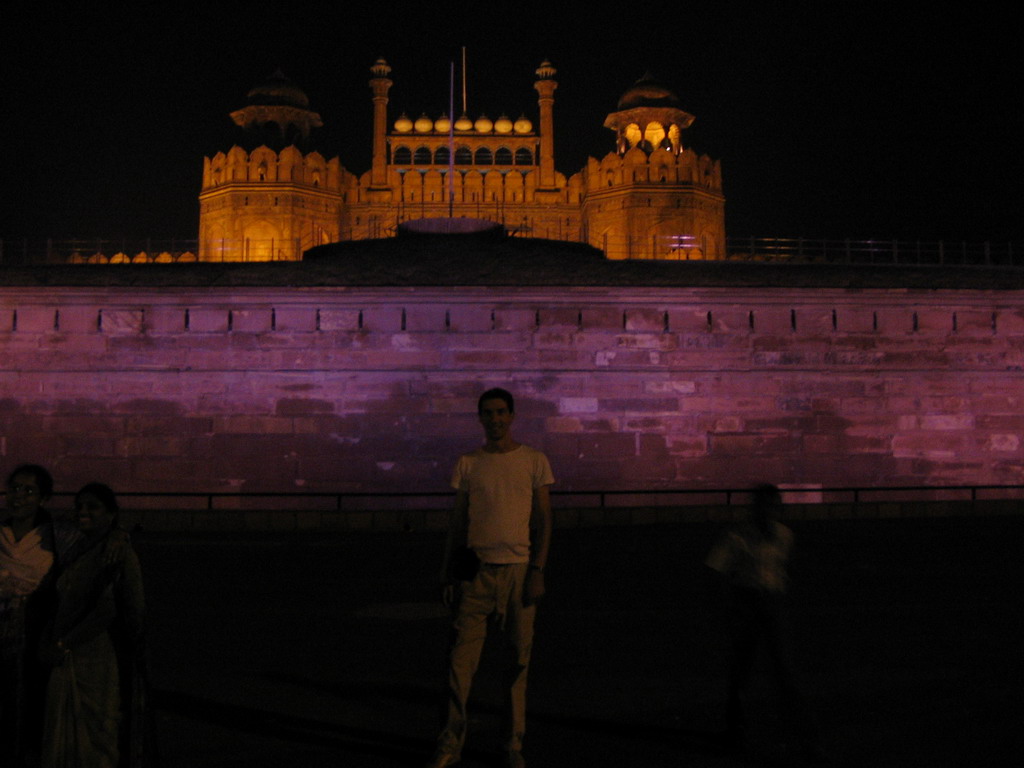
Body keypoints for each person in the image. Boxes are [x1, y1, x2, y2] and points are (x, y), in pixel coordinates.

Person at [428, 388, 554, 768]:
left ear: (512, 416)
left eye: (501, 412)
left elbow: (544, 520)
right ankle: (451, 742)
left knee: (517, 663)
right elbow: (458, 521)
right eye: (488, 413)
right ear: (480, 418)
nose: (495, 419)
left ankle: (512, 743)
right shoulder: (468, 463)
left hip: (518, 572)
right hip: (476, 575)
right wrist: (447, 572)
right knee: (459, 665)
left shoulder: (534, 460)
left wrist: (537, 570)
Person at [705, 483, 820, 758]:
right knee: (751, 670)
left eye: (772, 507)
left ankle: (744, 730)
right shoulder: (746, 536)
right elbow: (719, 572)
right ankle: (743, 729)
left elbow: (719, 569)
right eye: (766, 507)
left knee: (775, 670)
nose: (769, 512)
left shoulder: (774, 535)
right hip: (752, 603)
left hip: (765, 602)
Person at [38, 483, 147, 768]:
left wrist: (63, 643)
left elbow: (112, 610)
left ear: (111, 513)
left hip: (96, 656)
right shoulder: (75, 548)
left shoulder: (117, 553)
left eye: (93, 507)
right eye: (80, 506)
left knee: (96, 731)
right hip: (67, 654)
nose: (83, 512)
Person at [1, 464, 80, 767]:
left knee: (28, 706)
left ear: (44, 499)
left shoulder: (57, 536)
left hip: (33, 635)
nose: (19, 496)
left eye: (29, 491)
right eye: (15, 489)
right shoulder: (1, 533)